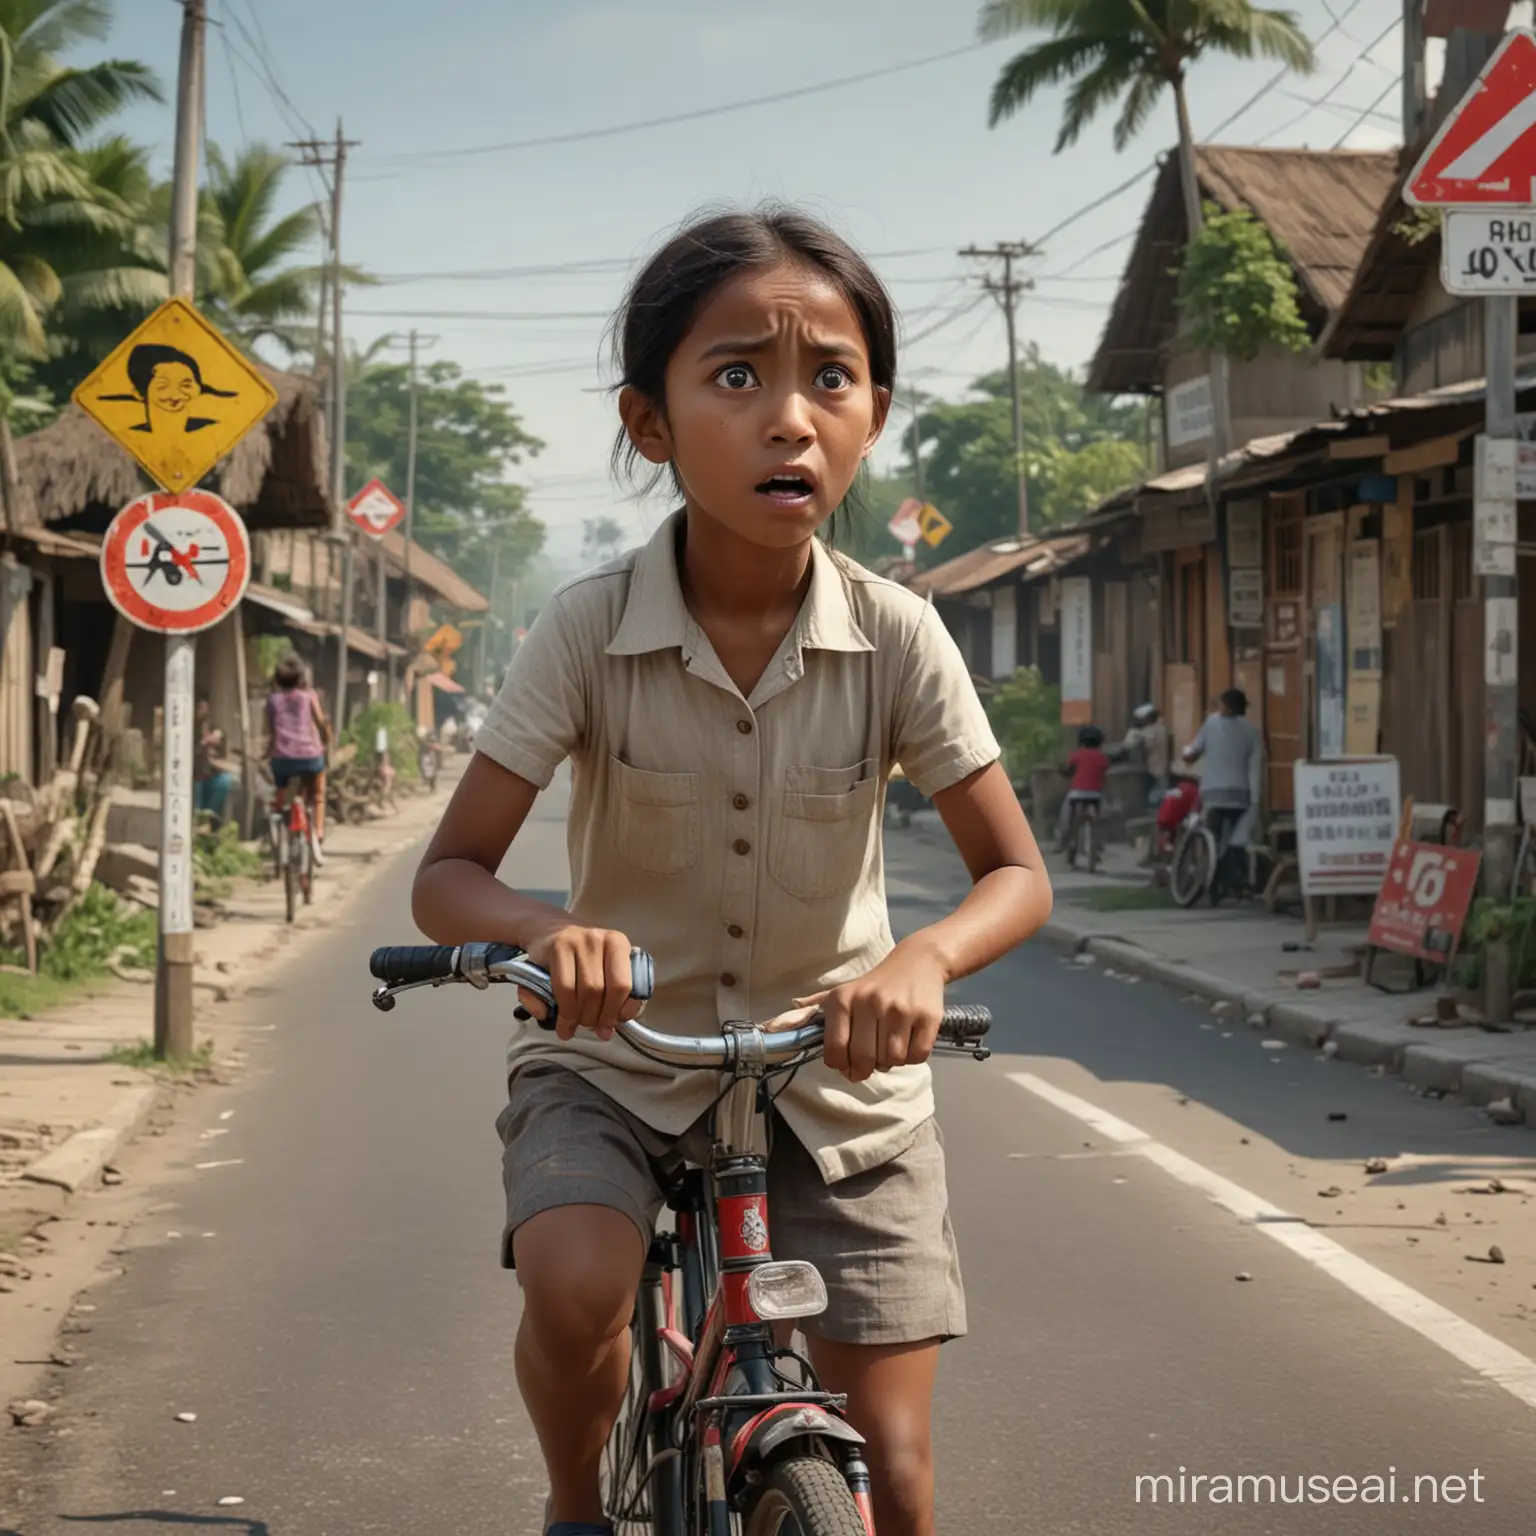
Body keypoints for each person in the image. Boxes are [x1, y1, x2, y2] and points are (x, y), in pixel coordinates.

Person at [411, 207, 1054, 1536]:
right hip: (615, 1063)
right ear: (651, 424)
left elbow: (1016, 877)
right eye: (736, 376)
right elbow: (451, 872)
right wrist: (546, 932)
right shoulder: (585, 631)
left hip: (838, 1083)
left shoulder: (903, 638)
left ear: (875, 412)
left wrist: (923, 959)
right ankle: (575, 1504)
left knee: (894, 1462)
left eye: (831, 375)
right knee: (578, 1283)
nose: (790, 418)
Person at [1182, 687, 1264, 904]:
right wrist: (1255, 801)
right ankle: (1231, 882)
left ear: (1225, 706)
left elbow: (1192, 753)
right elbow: (1254, 768)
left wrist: (1186, 755)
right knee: (1233, 842)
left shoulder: (1211, 723)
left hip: (1213, 792)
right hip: (1241, 794)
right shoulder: (1251, 731)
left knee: (1212, 836)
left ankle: (1209, 882)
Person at [262, 654, 331, 866]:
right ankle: (317, 835)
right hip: (310, 758)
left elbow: (270, 732)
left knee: (282, 796)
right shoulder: (309, 696)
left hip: (282, 760)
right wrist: (327, 739)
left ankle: (282, 830)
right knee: (318, 795)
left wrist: (268, 751)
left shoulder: (272, 701)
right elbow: (320, 723)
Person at [1057, 724, 1112, 846]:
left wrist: (1062, 771)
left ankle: (1062, 840)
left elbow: (1069, 770)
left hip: (1076, 794)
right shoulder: (1102, 757)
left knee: (1065, 815)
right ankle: (1099, 845)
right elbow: (1104, 775)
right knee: (1101, 816)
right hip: (1096, 795)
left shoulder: (1077, 754)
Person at [193, 699, 236, 824]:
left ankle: (212, 819)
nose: (203, 712)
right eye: (200, 708)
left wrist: (217, 739)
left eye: (205, 708)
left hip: (214, 773)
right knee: (198, 795)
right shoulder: (191, 731)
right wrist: (202, 743)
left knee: (224, 782)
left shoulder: (215, 729)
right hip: (197, 775)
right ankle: (200, 822)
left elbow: (221, 741)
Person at [1123, 702, 1172, 808]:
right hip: (1161, 767)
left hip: (1154, 768)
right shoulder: (1161, 728)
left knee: (1155, 796)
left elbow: (1128, 744)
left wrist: (1134, 729)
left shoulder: (1148, 731)